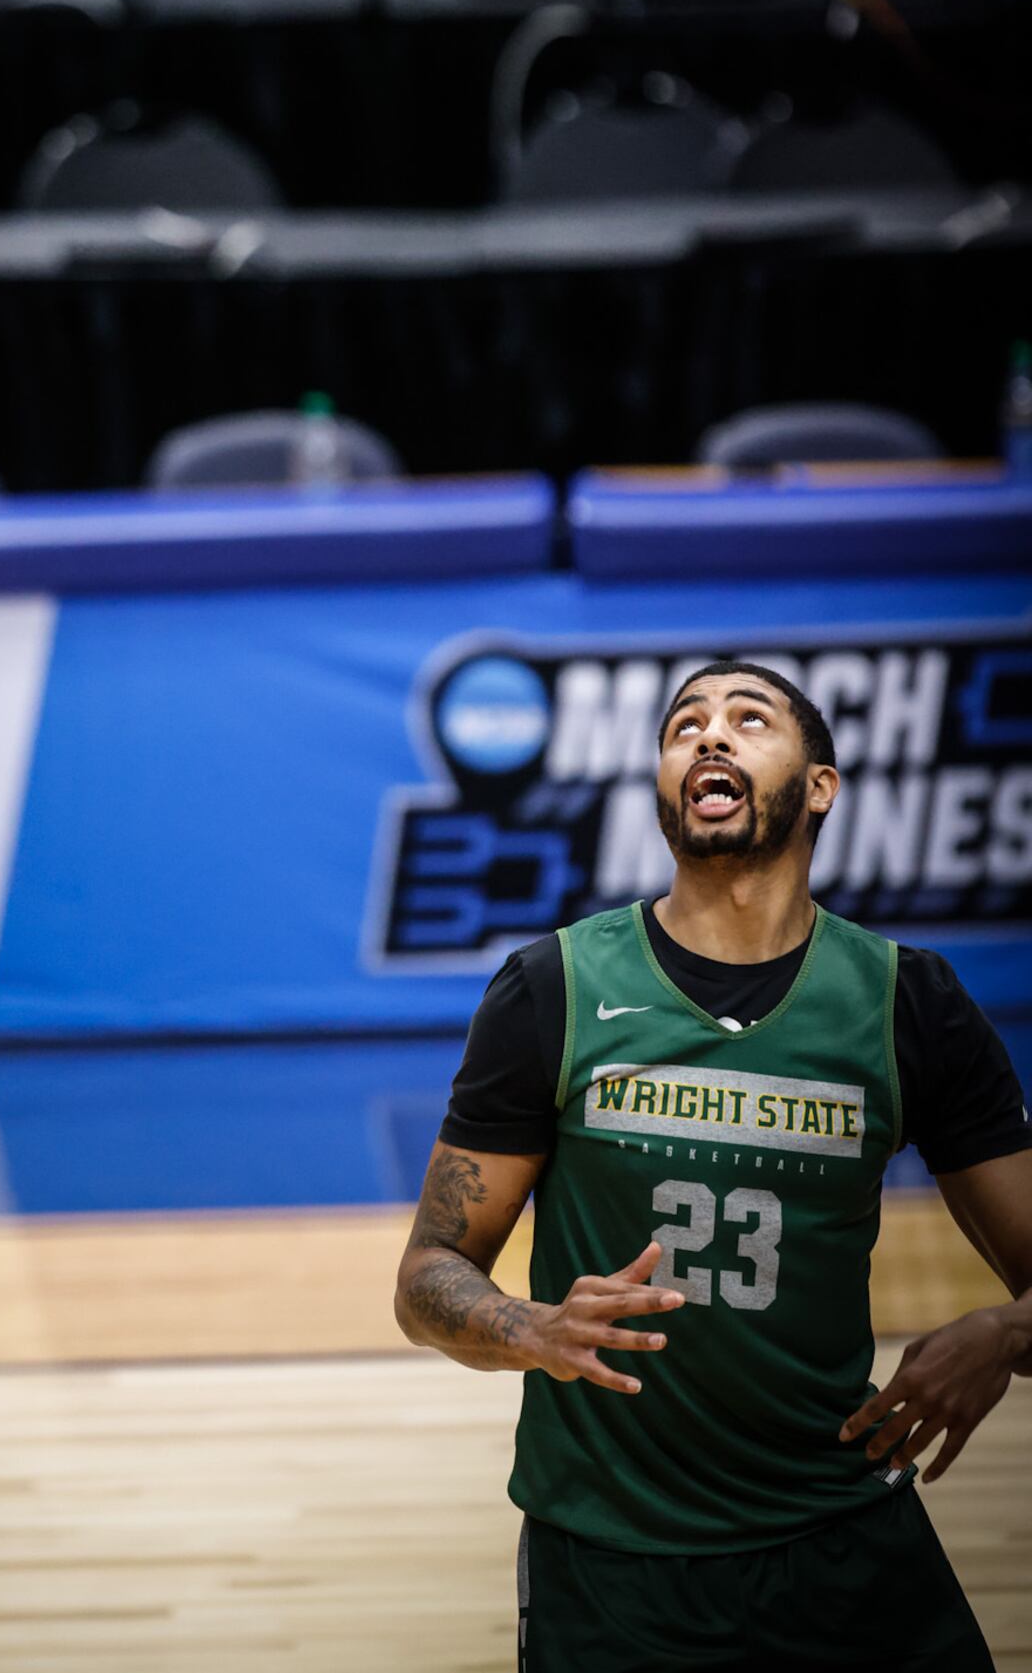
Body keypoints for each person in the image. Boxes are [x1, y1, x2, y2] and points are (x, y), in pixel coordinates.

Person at [395, 659, 1032, 1672]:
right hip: (610, 1561)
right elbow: (425, 1278)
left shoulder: (907, 1003)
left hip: (843, 1537)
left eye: (747, 718)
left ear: (818, 784)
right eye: (683, 723)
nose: (707, 734)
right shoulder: (552, 988)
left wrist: (1002, 1331)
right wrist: (533, 1327)